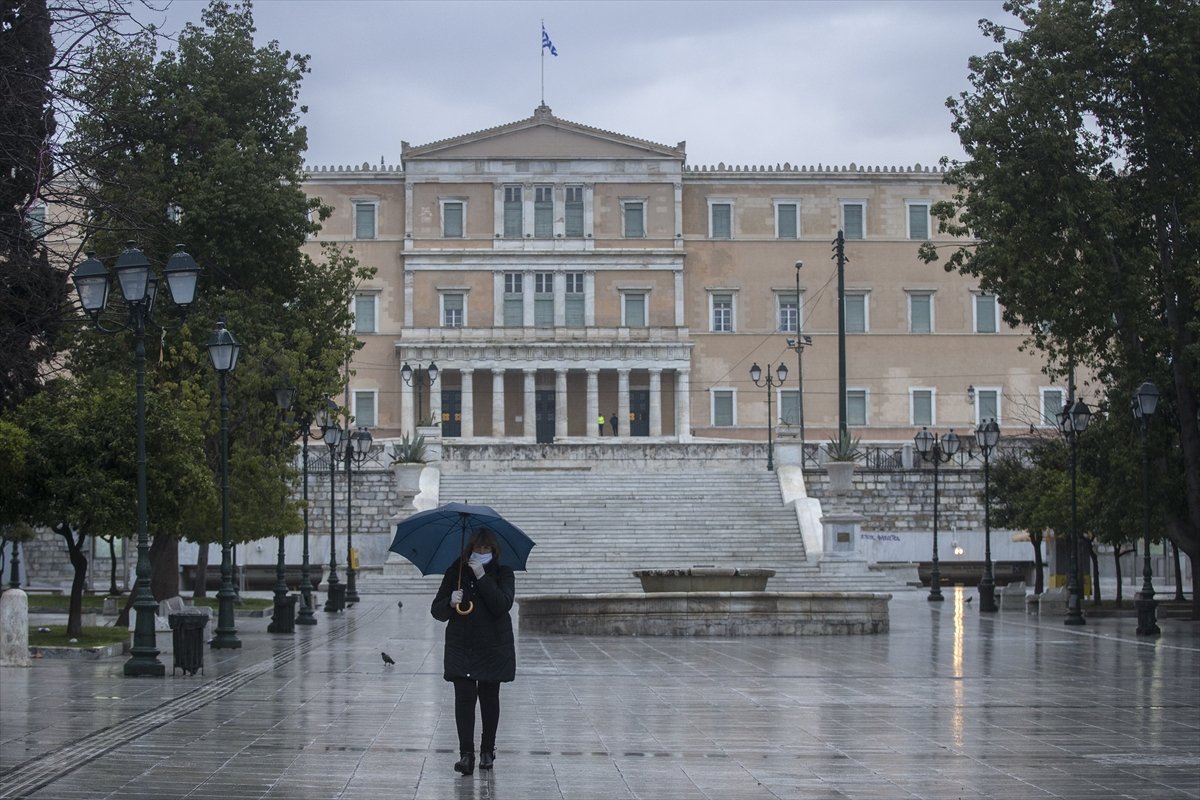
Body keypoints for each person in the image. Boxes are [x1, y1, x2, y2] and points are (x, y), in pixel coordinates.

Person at [431, 528, 516, 776]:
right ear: (469, 549)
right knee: (465, 699)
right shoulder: (456, 571)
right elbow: (437, 611)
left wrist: (482, 577)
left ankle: (487, 750)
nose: (480, 553)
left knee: (489, 699)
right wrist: (449, 601)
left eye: (485, 549)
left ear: (493, 550)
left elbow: (502, 604)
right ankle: (466, 754)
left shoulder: (503, 572)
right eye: (477, 549)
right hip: (462, 644)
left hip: (493, 646)